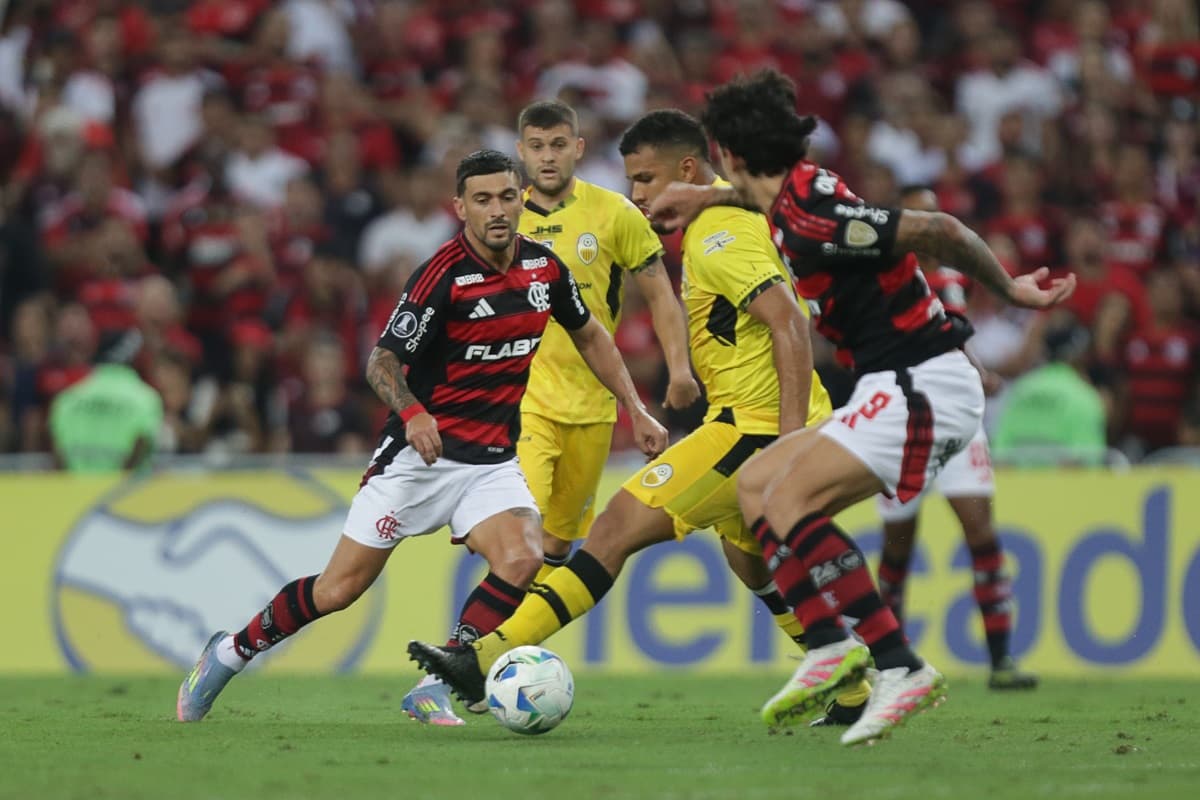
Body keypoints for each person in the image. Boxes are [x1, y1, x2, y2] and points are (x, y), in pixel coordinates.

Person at [646, 70, 1073, 745]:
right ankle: (826, 646)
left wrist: (1009, 291)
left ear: (729, 150)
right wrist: (702, 195)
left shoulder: (812, 219)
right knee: (756, 487)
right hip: (896, 383)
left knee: (787, 502)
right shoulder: (791, 192)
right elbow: (760, 197)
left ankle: (898, 664)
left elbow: (939, 229)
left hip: (922, 380)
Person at [407, 108, 874, 722]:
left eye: (647, 180)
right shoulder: (740, 217)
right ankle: (851, 686)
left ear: (687, 170)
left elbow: (788, 322)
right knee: (749, 559)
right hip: (757, 418)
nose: (638, 195)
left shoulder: (716, 237)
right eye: (631, 182)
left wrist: (788, 443)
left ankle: (485, 652)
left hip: (753, 428)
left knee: (615, 528)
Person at [177, 150, 668, 722]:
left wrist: (637, 408)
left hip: (489, 460)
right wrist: (412, 412)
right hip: (417, 459)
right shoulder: (443, 277)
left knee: (523, 555)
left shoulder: (545, 269)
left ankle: (443, 678)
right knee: (338, 590)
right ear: (460, 208)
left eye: (508, 197)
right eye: (482, 200)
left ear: (522, 201)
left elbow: (591, 337)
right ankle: (230, 651)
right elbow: (381, 361)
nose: (497, 211)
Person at [399, 100, 698, 725]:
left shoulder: (614, 213)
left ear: (579, 148)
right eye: (535, 146)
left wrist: (673, 372)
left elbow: (660, 296)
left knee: (556, 551)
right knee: (519, 548)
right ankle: (448, 672)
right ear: (521, 149)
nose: (547, 157)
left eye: (558, 144)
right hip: (520, 408)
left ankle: (484, 667)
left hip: (591, 412)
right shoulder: (499, 216)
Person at [873, 187, 1037, 693]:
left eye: (933, 211)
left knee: (981, 534)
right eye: (920, 213)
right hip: (901, 421)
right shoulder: (879, 277)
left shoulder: (947, 278)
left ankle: (1001, 660)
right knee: (898, 550)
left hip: (958, 421)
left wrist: (976, 369)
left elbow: (955, 333)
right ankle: (892, 663)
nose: (930, 224)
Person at [992, 313, 1106, 466]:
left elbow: (1000, 458)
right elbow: (1085, 461)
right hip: (1064, 489)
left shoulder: (1020, 389)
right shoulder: (1085, 396)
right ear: (1079, 356)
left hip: (1018, 487)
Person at [49, 328, 161, 473]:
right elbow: (141, 445)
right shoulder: (146, 399)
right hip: (125, 493)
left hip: (76, 491)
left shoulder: (67, 399)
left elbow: (58, 455)